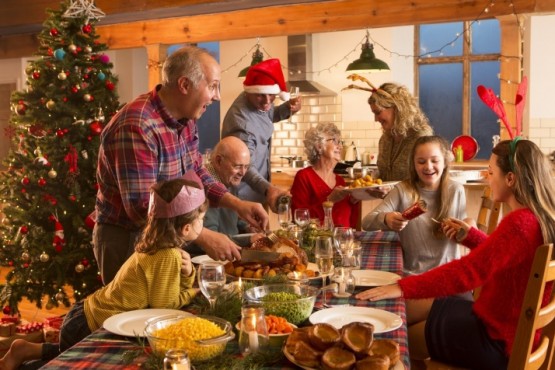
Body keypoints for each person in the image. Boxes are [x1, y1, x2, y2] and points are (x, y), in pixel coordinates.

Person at [356, 138, 555, 369]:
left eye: (490, 172)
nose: (487, 178)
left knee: (397, 338)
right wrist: (469, 235)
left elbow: (468, 271)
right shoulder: (535, 219)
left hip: (494, 340)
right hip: (495, 324)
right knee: (397, 314)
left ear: (510, 179)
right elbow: (497, 255)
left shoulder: (519, 224)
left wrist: (403, 286)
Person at [93, 45, 268, 284]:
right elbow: (142, 208)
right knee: (132, 316)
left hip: (166, 235)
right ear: (185, 85)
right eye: (213, 86)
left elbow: (196, 173)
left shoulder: (185, 120)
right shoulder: (137, 126)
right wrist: (203, 235)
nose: (216, 96)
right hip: (128, 239)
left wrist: (236, 204)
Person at [0, 175, 207, 370]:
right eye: (202, 218)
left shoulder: (157, 247)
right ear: (186, 228)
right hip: (91, 325)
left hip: (86, 315)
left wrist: (187, 274)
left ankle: (25, 349)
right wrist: (194, 290)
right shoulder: (168, 255)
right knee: (73, 363)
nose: (203, 223)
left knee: (70, 351)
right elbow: (164, 308)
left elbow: (162, 296)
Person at [361, 135, 473, 276]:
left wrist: (467, 227)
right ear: (413, 164)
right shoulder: (402, 190)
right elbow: (366, 223)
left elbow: (464, 231)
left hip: (448, 275)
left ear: (444, 163)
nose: (428, 166)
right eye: (421, 161)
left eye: (435, 160)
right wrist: (386, 219)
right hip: (413, 275)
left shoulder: (456, 190)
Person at [221, 58, 301, 210]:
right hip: (243, 198)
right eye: (261, 96)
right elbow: (243, 168)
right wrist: (269, 189)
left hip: (258, 193)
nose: (267, 101)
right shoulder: (242, 124)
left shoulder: (257, 98)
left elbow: (268, 115)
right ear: (250, 91)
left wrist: (288, 108)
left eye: (272, 95)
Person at [187, 136, 265, 257]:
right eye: (238, 166)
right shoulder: (202, 191)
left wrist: (247, 227)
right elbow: (210, 242)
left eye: (246, 167)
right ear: (218, 161)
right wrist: (248, 239)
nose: (243, 173)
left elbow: (231, 221)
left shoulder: (228, 180)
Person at [365, 82, 433, 198]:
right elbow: (385, 174)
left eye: (378, 112)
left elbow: (428, 181)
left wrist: (392, 190)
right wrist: (374, 180)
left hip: (417, 209)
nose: (376, 119)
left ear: (397, 108)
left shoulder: (421, 137)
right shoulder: (385, 140)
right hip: (392, 209)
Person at [290, 122, 359, 229]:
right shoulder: (304, 177)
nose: (340, 146)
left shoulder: (340, 180)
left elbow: (350, 222)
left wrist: (354, 201)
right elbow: (299, 220)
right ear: (319, 146)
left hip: (343, 241)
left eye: (340, 142)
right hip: (318, 242)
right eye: (334, 141)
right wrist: (329, 200)